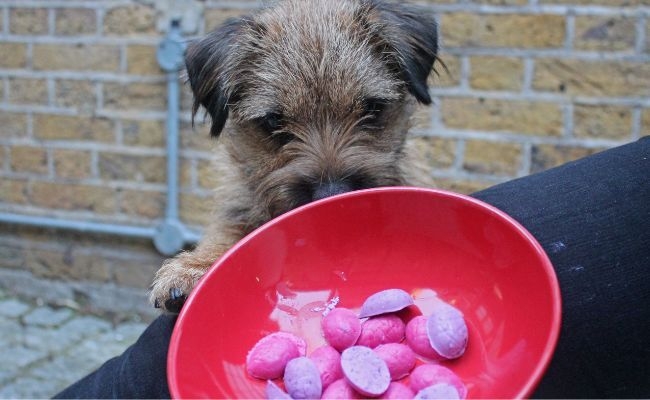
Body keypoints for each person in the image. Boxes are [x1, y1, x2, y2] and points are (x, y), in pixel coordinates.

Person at [54, 137, 649, 399]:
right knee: (155, 357)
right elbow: (234, 230)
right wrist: (209, 261)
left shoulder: (416, 198)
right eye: (277, 129)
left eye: (368, 113)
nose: (331, 167)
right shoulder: (244, 191)